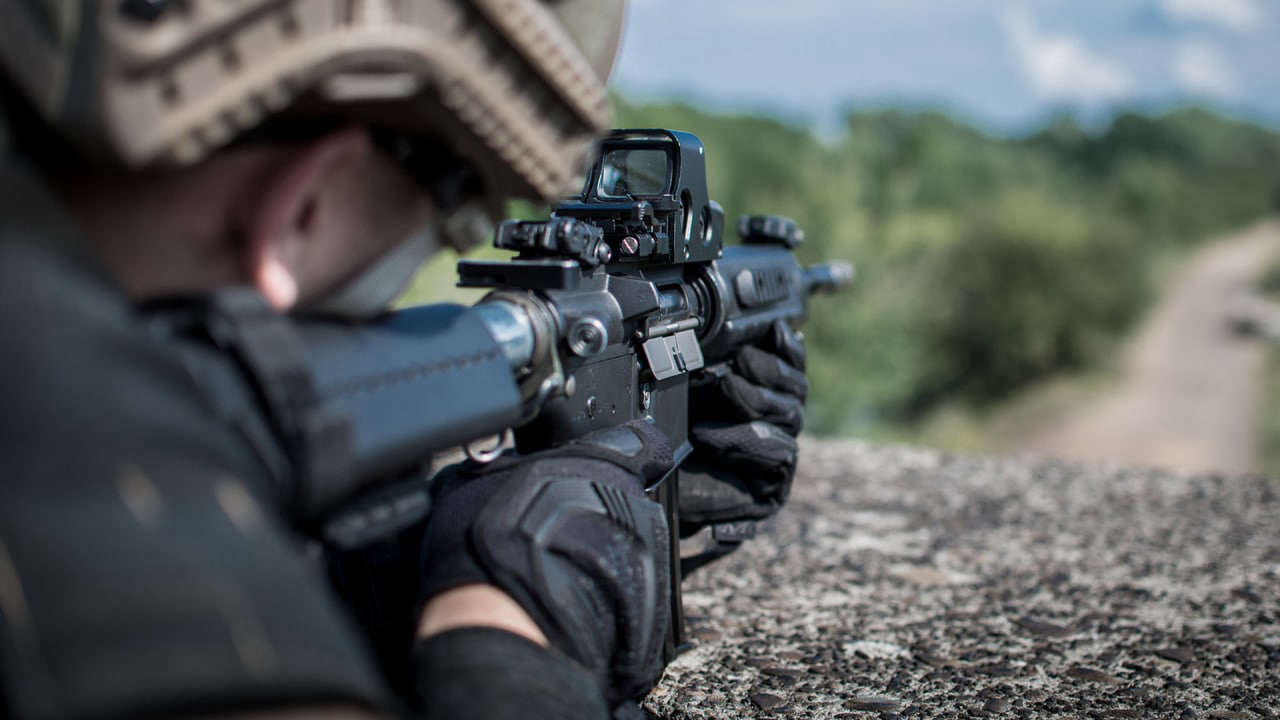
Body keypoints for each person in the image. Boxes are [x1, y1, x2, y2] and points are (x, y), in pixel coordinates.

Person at [0, 2, 807, 718]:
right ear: (302, 206)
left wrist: (396, 567)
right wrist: (513, 626)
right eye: (454, 213)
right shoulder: (82, 459)